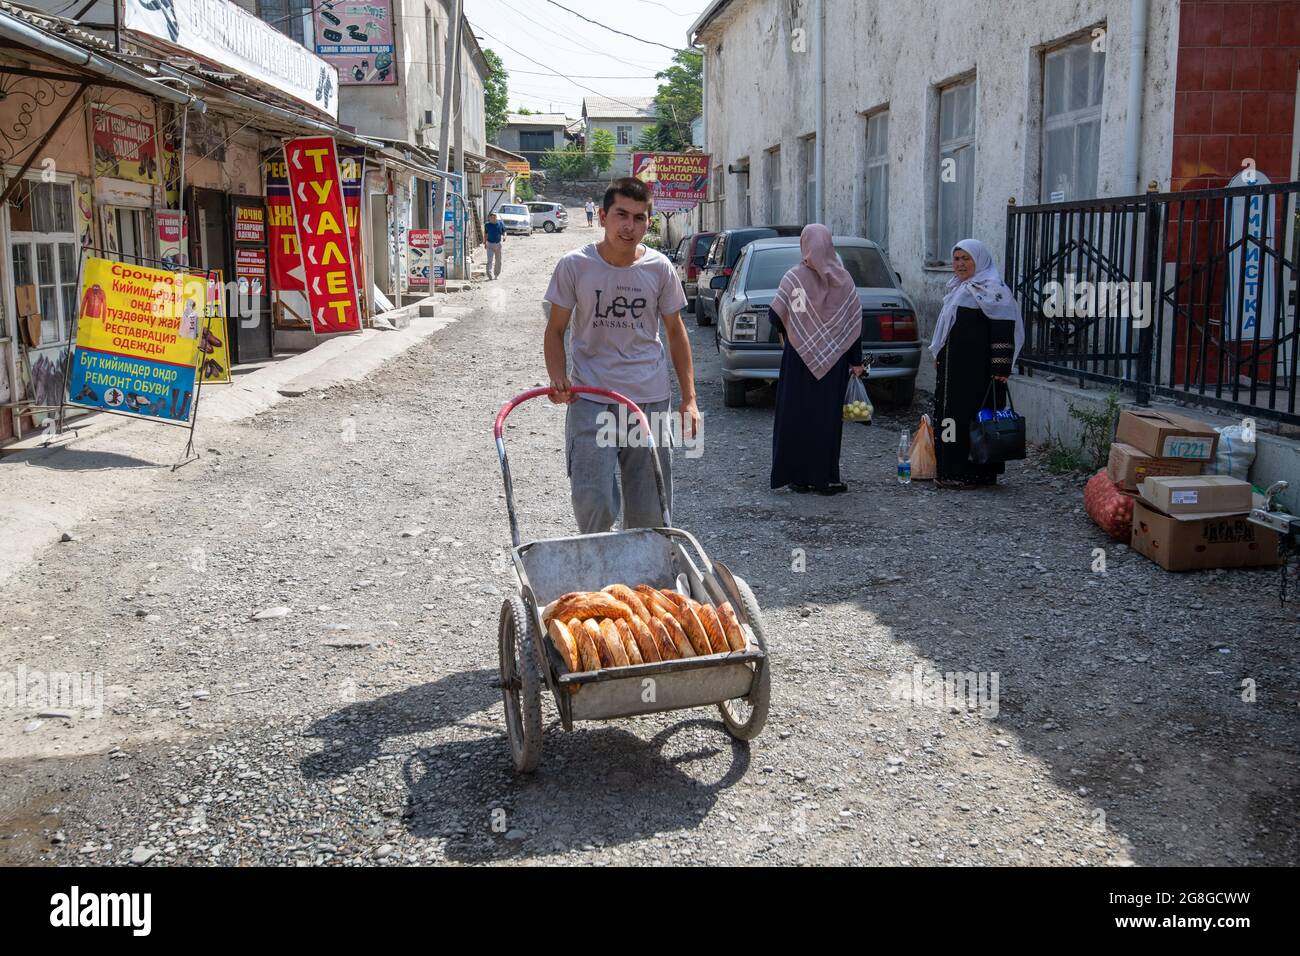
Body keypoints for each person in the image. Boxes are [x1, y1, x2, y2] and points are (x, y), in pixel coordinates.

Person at [544, 176, 699, 533]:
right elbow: (555, 330)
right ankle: (598, 582)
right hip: (591, 398)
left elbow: (676, 332)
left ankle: (641, 584)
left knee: (650, 514)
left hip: (649, 400)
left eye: (640, 217)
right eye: (621, 215)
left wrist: (689, 400)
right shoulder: (575, 265)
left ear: (649, 221)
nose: (629, 226)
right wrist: (558, 376)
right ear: (602, 216)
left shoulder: (659, 268)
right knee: (593, 502)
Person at [768, 223, 865, 495]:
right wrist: (855, 361)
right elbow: (855, 324)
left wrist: (794, 329)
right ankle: (825, 478)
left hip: (798, 360)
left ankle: (798, 478)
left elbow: (776, 315)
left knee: (796, 416)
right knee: (826, 419)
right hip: (834, 363)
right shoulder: (844, 281)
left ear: (805, 245)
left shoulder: (795, 278)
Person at [930, 238, 1024, 488]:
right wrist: (940, 356)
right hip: (953, 374)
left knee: (978, 421)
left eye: (966, 259)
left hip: (980, 375)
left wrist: (1001, 369)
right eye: (957, 259)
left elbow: (1003, 332)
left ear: (979, 260)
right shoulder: (959, 289)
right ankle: (948, 468)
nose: (960, 264)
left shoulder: (995, 291)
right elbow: (947, 330)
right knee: (949, 420)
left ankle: (977, 472)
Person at [484, 213, 505, 280]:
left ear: (496, 218)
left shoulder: (500, 223)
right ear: (489, 218)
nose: (493, 218)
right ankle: (489, 273)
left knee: (498, 260)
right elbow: (486, 234)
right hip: (490, 244)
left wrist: (504, 236)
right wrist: (485, 242)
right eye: (492, 217)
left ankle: (496, 274)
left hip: (498, 244)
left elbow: (504, 231)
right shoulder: (487, 225)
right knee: (490, 260)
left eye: (494, 217)